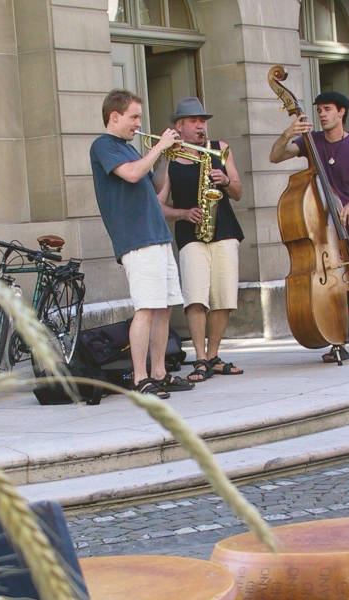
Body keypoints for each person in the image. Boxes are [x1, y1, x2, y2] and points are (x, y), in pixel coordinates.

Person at [269, 91, 349, 362]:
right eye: (320, 110)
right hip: (321, 222)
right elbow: (275, 156)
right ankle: (336, 336)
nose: (322, 114)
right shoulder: (312, 141)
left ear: (341, 112)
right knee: (331, 284)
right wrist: (288, 132)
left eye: (327, 109)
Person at [90, 88, 195, 397]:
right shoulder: (104, 146)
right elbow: (133, 175)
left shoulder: (133, 149)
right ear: (115, 116)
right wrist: (159, 145)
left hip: (158, 235)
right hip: (136, 239)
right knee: (146, 308)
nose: (138, 123)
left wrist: (166, 156)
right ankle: (140, 377)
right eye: (134, 116)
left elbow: (157, 190)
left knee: (164, 308)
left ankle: (159, 372)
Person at [157, 97, 245, 382]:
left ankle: (214, 355)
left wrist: (226, 181)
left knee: (223, 297)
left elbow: (239, 192)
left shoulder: (220, 150)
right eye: (194, 121)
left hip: (225, 230)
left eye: (203, 121)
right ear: (179, 126)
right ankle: (200, 358)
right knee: (196, 298)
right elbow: (158, 205)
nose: (200, 126)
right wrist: (183, 213)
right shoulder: (169, 158)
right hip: (191, 233)